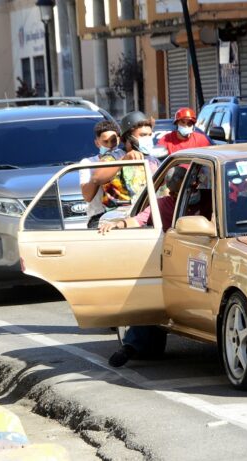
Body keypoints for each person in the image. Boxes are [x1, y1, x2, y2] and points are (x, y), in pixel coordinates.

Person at [97, 166, 189, 368]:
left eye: (187, 186)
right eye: (177, 188)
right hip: (172, 262)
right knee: (150, 298)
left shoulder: (210, 200)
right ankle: (131, 346)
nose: (181, 191)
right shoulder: (163, 204)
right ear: (170, 189)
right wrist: (117, 224)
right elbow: (139, 220)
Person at [78, 120, 124, 228]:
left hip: (123, 214)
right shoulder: (88, 163)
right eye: (105, 142)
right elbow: (87, 196)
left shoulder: (124, 156)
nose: (109, 146)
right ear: (97, 143)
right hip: (98, 216)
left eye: (113, 141)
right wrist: (100, 173)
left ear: (119, 140)